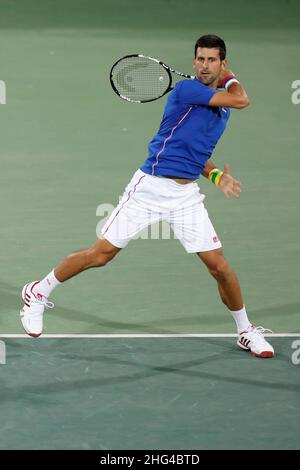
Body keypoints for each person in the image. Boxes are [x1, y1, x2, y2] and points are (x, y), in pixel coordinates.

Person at [20, 34, 274, 358]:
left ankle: (245, 331)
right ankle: (37, 292)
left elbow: (192, 150)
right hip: (150, 188)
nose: (204, 65)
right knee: (101, 254)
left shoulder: (218, 108)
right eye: (200, 59)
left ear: (221, 61)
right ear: (194, 61)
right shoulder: (188, 90)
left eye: (212, 60)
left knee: (219, 267)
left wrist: (214, 174)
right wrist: (230, 76)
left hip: (185, 196)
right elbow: (242, 99)